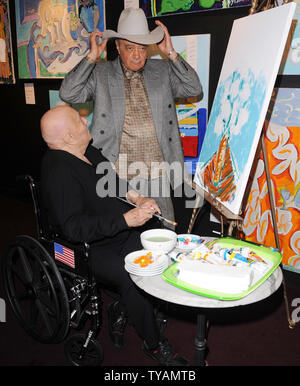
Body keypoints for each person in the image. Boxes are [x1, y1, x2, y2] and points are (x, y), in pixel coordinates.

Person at [40, 105, 189, 366]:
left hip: (116, 231)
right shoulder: (59, 172)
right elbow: (74, 229)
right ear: (68, 137)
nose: (85, 119)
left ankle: (122, 307)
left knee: (160, 245)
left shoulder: (86, 150)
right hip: (86, 249)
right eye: (78, 120)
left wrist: (137, 198)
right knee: (134, 274)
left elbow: (112, 180)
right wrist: (126, 219)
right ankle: (154, 345)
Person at [59, 7, 203, 230]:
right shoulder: (101, 73)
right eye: (129, 48)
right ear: (117, 46)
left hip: (157, 171)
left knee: (163, 232)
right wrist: (91, 57)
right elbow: (68, 93)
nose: (137, 55)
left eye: (142, 48)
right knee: (126, 235)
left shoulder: (162, 70)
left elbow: (194, 87)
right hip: (118, 174)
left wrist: (171, 53)